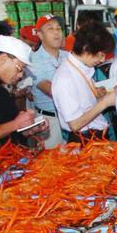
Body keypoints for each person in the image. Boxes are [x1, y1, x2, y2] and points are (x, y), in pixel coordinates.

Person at [51, 24, 117, 143]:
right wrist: (104, 103)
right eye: (101, 55)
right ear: (86, 48)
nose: (102, 60)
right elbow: (75, 124)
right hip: (85, 140)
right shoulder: (65, 78)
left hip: (96, 136)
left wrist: (98, 96)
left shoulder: (82, 69)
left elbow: (85, 105)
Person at [29, 15, 71, 149]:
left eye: (59, 28)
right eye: (50, 29)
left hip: (71, 117)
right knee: (52, 164)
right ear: (40, 35)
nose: (57, 32)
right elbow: (50, 90)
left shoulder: (68, 57)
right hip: (49, 121)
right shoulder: (33, 60)